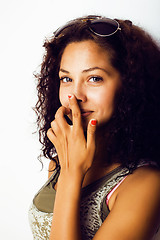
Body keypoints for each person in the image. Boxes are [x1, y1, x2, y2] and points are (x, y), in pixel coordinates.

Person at [28, 15, 160, 240]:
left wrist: (71, 174)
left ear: (129, 85)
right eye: (66, 79)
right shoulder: (61, 161)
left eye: (94, 78)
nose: (75, 96)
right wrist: (69, 167)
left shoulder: (147, 184)